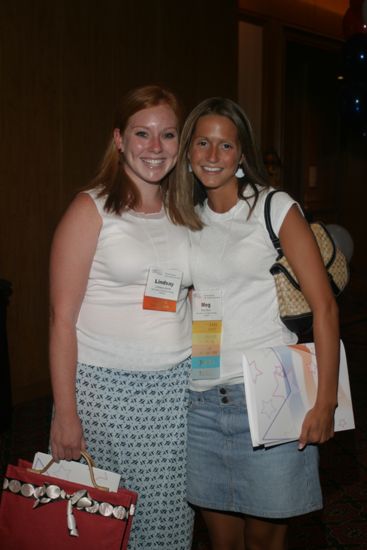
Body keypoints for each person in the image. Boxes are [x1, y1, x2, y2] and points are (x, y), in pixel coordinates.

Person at [169, 97, 339, 549]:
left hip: (270, 397)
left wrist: (325, 404)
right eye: (202, 143)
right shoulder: (185, 221)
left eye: (225, 146)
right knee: (223, 544)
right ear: (188, 153)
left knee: (265, 542)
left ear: (241, 155)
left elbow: (324, 307)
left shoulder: (274, 208)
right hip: (201, 402)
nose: (212, 155)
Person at [49, 85, 194, 549]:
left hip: (175, 396)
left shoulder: (185, 213)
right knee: (100, 527)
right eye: (142, 134)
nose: (155, 148)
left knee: (167, 526)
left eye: (168, 135)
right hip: (105, 397)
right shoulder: (90, 209)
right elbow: (61, 320)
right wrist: (66, 414)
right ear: (118, 139)